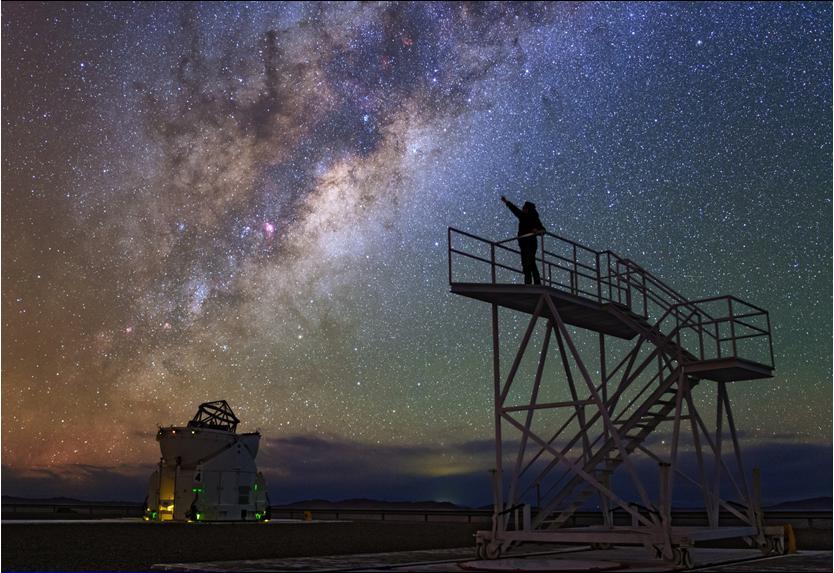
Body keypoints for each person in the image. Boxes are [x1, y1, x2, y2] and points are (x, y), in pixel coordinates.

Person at [501, 196, 546, 285]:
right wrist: (506, 202)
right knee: (528, 263)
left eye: (524, 208)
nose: (523, 209)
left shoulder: (533, 218)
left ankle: (531, 282)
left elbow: (543, 230)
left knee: (529, 263)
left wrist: (537, 231)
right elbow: (514, 209)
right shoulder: (523, 216)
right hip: (524, 243)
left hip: (530, 243)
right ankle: (532, 282)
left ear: (528, 209)